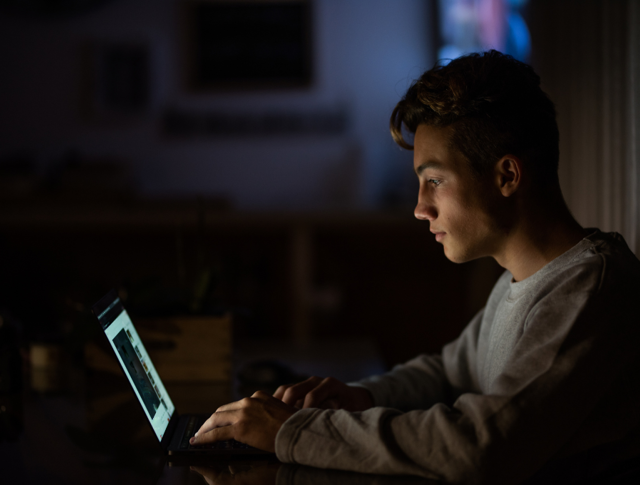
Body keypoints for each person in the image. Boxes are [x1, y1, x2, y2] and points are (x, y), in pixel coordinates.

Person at [190, 51, 640, 484]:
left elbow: (477, 447)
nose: (420, 208)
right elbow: (449, 371)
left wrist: (292, 434)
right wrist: (362, 397)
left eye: (435, 181)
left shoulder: (588, 290)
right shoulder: (521, 279)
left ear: (507, 176)